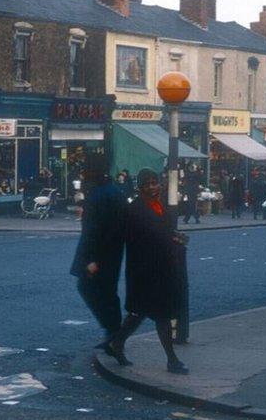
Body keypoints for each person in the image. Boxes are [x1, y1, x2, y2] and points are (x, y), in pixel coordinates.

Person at [104, 168, 188, 375]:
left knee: (141, 313)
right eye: (147, 184)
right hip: (145, 270)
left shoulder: (162, 207)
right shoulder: (134, 210)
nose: (153, 187)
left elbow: (164, 233)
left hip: (162, 269)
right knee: (160, 315)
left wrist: (175, 237)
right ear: (140, 188)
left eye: (155, 183)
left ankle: (117, 342)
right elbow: (136, 239)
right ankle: (172, 360)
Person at [70, 155, 127, 345]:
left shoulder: (99, 195)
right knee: (108, 292)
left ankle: (113, 331)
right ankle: (113, 332)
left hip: (99, 255)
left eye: (85, 171)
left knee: (88, 287)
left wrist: (94, 260)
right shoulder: (112, 191)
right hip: (111, 253)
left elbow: (97, 230)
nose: (83, 174)